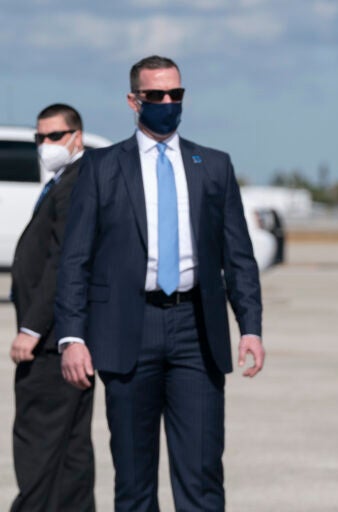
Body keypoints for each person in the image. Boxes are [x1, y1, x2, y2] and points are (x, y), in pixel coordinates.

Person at [55, 55, 265, 511]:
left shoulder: (213, 165)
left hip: (196, 331)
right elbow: (75, 260)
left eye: (176, 94)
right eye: (156, 95)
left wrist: (250, 327)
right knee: (133, 480)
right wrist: (72, 336)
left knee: (203, 476)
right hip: (127, 331)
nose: (168, 102)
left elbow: (239, 257)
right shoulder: (101, 167)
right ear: (134, 101)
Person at [9, 103, 95, 512]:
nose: (46, 144)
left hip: (51, 339)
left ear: (76, 136)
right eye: (39, 137)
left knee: (39, 438)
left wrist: (32, 327)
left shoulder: (77, 183)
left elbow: (64, 262)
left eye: (55, 136)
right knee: (69, 444)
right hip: (61, 337)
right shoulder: (64, 180)